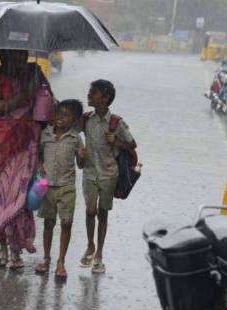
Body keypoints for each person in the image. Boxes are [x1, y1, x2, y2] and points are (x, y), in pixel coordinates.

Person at [0, 49, 52, 269]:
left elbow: (47, 103)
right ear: (4, 56)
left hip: (25, 144)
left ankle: (16, 250)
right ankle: (2, 248)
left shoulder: (33, 72)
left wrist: (39, 89)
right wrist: (25, 93)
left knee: (18, 196)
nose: (21, 59)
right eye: (15, 55)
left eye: (24, 55)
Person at [79, 79, 136, 274]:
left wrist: (117, 142)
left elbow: (132, 144)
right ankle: (90, 245)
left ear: (105, 98)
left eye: (93, 93)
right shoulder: (86, 119)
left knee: (103, 213)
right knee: (90, 210)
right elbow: (68, 127)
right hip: (89, 173)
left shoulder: (116, 122)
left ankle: (99, 255)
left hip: (109, 174)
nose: (89, 96)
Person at [35, 100, 85, 279]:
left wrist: (81, 157)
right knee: (48, 223)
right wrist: (40, 164)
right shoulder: (45, 134)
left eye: (66, 116)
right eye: (58, 114)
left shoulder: (75, 138)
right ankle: (46, 258)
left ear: (74, 120)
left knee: (66, 223)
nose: (60, 119)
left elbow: (80, 165)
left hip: (66, 187)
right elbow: (39, 153)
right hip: (47, 186)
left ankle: (61, 261)